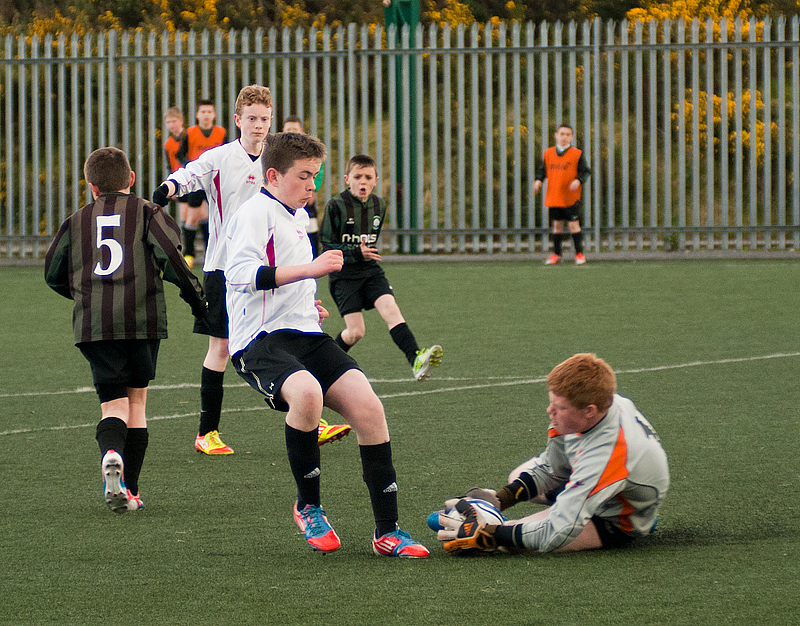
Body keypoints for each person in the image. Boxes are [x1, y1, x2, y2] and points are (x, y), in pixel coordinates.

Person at [224, 132, 429, 557]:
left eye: (316, 176)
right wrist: (309, 270)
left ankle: (388, 531)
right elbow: (240, 274)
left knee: (370, 409)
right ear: (275, 175)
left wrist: (308, 301)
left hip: (304, 334)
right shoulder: (253, 212)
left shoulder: (297, 215)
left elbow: (289, 276)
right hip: (259, 341)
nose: (313, 187)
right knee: (307, 393)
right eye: (305, 177)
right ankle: (309, 505)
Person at [152, 86, 349, 456]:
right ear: (238, 121)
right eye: (252, 119)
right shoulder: (221, 157)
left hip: (274, 268)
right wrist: (165, 191)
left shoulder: (277, 158)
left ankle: (310, 415)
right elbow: (188, 175)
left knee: (286, 335)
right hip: (226, 268)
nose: (259, 126)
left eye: (264, 118)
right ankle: (206, 432)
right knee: (222, 346)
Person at [44, 147, 207, 513]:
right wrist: (199, 303)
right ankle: (130, 488)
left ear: (91, 187)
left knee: (112, 403)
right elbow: (173, 261)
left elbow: (52, 272)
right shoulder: (149, 212)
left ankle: (111, 453)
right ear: (131, 179)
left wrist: (83, 295)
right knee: (137, 403)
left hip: (94, 324)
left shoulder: (76, 220)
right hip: (141, 319)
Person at [437, 353, 669, 554]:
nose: (550, 411)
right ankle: (559, 508)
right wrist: (501, 499)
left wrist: (491, 535)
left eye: (560, 407)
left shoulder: (606, 455)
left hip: (619, 516)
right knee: (518, 476)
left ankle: (636, 521)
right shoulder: (596, 403)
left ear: (590, 411)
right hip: (601, 483)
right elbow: (553, 468)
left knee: (512, 544)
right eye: (551, 402)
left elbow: (558, 531)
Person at [320, 154, 443, 381]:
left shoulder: (379, 205)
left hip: (370, 271)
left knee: (391, 309)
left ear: (376, 180)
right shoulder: (335, 206)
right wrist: (356, 252)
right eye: (357, 176)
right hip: (344, 276)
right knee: (356, 332)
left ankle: (415, 358)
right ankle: (325, 367)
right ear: (348, 179)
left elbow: (369, 242)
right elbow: (327, 247)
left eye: (368, 177)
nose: (363, 181)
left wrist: (364, 254)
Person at [534, 124, 591, 265]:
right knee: (557, 226)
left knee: (574, 225)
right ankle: (556, 254)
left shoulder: (577, 154)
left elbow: (585, 171)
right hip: (554, 196)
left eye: (567, 134)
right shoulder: (548, 153)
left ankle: (579, 254)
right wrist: (538, 180)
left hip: (570, 198)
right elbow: (542, 170)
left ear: (571, 137)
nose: (564, 137)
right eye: (562, 134)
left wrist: (578, 180)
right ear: (556, 135)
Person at [182, 100, 228, 268]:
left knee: (216, 217)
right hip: (197, 181)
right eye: (203, 112)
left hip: (215, 181)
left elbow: (228, 154)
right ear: (197, 115)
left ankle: (212, 252)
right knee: (192, 217)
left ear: (214, 114)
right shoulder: (190, 133)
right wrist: (193, 168)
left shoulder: (221, 133)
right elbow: (181, 155)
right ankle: (188, 254)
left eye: (209, 111)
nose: (206, 115)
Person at [281, 115, 321, 257]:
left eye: (295, 129)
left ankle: (313, 258)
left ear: (301, 131)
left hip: (305, 197)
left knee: (311, 228)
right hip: (285, 197)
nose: (292, 132)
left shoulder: (309, 149)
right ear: (283, 131)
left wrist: (314, 189)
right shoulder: (278, 150)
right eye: (289, 129)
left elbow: (318, 170)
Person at [162, 107, 190, 225]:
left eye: (174, 121)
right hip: (179, 179)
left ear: (181, 121)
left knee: (200, 213)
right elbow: (169, 165)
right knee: (183, 216)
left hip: (192, 177)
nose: (171, 124)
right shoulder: (168, 144)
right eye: (168, 122)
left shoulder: (189, 136)